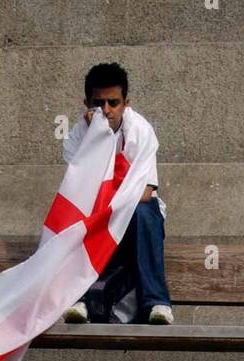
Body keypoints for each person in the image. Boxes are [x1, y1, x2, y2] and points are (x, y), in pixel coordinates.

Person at [62, 62, 173, 326]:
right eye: (98, 103)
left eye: (113, 103)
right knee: (74, 217)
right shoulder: (76, 138)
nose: (106, 110)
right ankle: (79, 299)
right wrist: (97, 139)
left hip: (134, 220)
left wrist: (112, 203)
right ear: (86, 103)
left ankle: (157, 303)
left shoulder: (140, 131)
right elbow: (78, 193)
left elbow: (146, 192)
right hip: (98, 217)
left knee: (143, 211)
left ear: (126, 103)